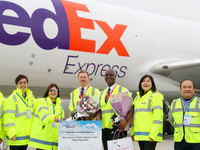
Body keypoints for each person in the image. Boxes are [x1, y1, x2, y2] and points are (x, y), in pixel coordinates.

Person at [96, 69, 131, 150]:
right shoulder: (101, 93)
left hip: (118, 127)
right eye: (107, 75)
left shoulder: (122, 90)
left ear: (115, 77)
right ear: (104, 78)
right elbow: (99, 109)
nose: (109, 76)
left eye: (111, 75)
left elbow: (131, 107)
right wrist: (98, 116)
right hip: (104, 128)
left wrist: (126, 121)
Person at [131, 74, 164, 150]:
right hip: (140, 134)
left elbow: (158, 117)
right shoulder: (137, 98)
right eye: (143, 81)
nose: (145, 83)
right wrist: (133, 132)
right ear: (140, 84)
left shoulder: (156, 96)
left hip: (150, 135)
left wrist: (153, 133)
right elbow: (135, 117)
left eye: (148, 81)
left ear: (152, 84)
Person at [3, 74, 36, 150]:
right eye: (20, 83)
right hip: (16, 137)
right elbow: (8, 118)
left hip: (26, 138)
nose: (23, 84)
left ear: (27, 84)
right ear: (16, 85)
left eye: (25, 82)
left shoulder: (31, 98)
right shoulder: (12, 98)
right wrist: (11, 133)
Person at [29, 83, 64, 150]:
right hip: (42, 140)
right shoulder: (42, 102)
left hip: (54, 141)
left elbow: (62, 122)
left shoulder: (60, 107)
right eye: (51, 90)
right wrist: (54, 117)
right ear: (47, 92)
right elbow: (44, 115)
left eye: (55, 90)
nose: (53, 92)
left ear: (58, 92)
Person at [168, 79, 200, 150]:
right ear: (180, 89)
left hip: (196, 141)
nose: (187, 89)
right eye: (184, 87)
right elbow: (171, 119)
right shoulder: (175, 102)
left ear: (194, 89)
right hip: (180, 141)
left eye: (189, 87)